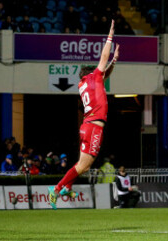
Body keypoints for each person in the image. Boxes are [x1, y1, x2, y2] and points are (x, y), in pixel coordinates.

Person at [48, 20, 120, 209]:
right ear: (93, 73)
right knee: (84, 166)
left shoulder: (83, 84)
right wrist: (110, 36)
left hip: (87, 126)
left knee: (82, 163)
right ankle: (56, 189)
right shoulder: (94, 77)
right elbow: (103, 60)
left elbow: (104, 71)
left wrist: (113, 62)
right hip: (94, 127)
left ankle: (67, 187)